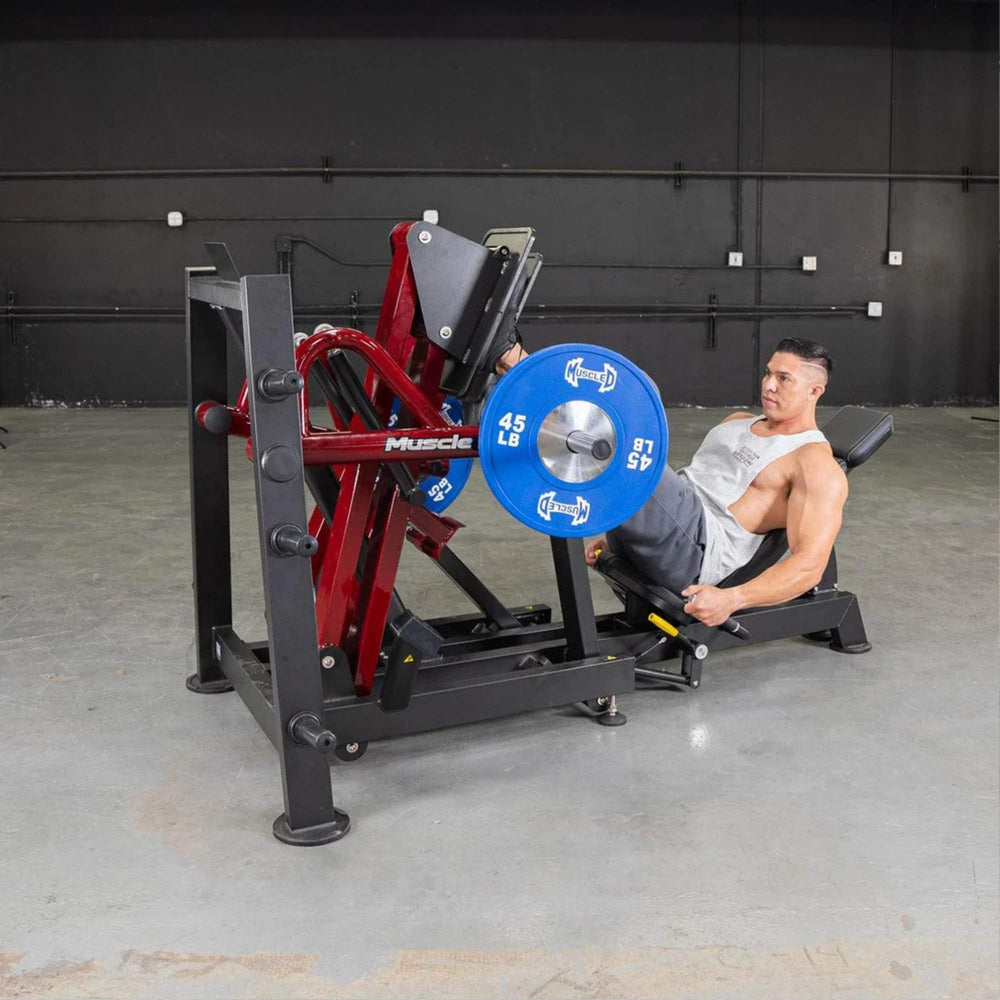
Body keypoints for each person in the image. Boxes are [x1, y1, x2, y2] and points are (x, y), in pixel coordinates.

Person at [494, 337, 848, 629]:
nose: (769, 385)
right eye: (769, 373)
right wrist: (627, 524)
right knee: (627, 428)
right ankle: (519, 372)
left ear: (814, 390)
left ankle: (518, 362)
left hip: (695, 555)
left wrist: (732, 598)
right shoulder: (739, 420)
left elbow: (809, 567)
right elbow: (683, 492)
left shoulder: (814, 464)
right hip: (667, 532)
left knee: (631, 408)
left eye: (784, 379)